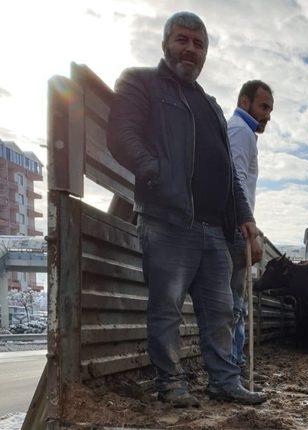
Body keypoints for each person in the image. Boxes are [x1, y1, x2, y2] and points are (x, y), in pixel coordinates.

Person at [107, 11, 266, 407]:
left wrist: (245, 217)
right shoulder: (140, 81)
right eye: (182, 40)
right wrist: (153, 171)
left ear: (205, 53)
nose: (189, 50)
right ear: (165, 43)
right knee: (167, 309)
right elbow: (121, 134)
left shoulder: (211, 106)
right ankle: (171, 385)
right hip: (167, 219)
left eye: (198, 44)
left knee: (221, 312)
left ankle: (223, 381)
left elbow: (228, 171)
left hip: (213, 228)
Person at [226, 81, 274, 369]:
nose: (267, 114)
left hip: (236, 225)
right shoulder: (240, 131)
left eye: (270, 109)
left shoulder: (243, 132)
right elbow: (236, 179)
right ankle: (231, 368)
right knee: (234, 303)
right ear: (245, 102)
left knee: (235, 302)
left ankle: (232, 366)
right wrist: (249, 226)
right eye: (263, 106)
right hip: (235, 228)